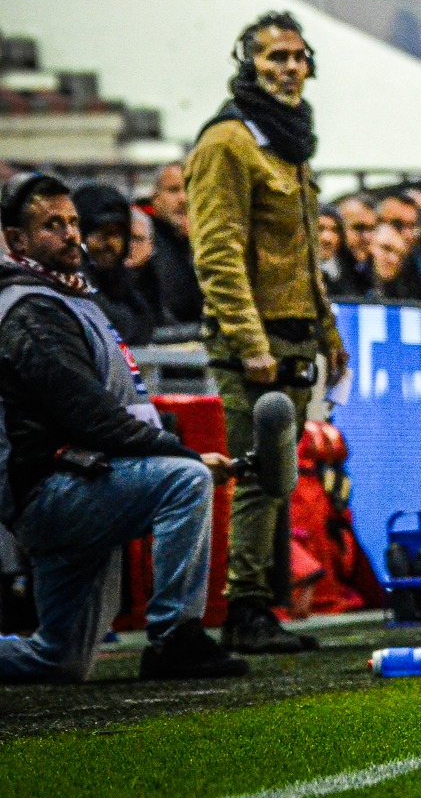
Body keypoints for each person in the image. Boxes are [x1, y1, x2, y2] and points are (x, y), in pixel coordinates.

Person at [0, 175, 246, 683]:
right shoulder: (31, 310)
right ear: (17, 241)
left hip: (75, 481)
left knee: (58, 660)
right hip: (57, 489)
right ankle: (176, 638)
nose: (72, 235)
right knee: (185, 481)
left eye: (72, 222)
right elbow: (88, 414)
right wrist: (183, 456)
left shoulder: (65, 296)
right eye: (52, 226)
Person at [186, 12, 344, 655]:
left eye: (297, 56)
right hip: (255, 343)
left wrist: (327, 329)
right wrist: (249, 342)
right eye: (274, 57)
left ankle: (262, 605)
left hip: (295, 335)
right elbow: (217, 253)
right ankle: (244, 609)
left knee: (278, 478)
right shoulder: (227, 142)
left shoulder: (287, 141)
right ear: (247, 64)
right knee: (257, 476)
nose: (288, 67)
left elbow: (302, 253)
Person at [71, 182, 154, 348]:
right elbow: (115, 326)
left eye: (117, 234)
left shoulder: (118, 276)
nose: (110, 243)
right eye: (101, 233)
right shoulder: (70, 278)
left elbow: (146, 321)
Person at [141, 162, 202, 335]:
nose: (183, 199)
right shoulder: (141, 239)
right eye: (173, 190)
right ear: (155, 198)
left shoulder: (203, 241)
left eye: (190, 189)